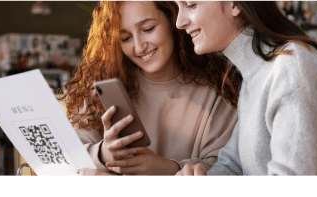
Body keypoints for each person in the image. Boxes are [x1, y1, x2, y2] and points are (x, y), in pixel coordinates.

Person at [174, 1, 317, 176]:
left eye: (190, 5)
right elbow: (233, 165)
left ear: (235, 4)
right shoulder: (255, 74)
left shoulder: (291, 68)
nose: (179, 22)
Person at [60, 1, 240, 176]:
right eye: (125, 38)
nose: (139, 47)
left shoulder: (219, 91)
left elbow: (229, 167)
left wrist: (167, 169)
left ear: (173, 20)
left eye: (148, 29)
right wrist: (102, 154)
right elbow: (61, 160)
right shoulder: (100, 89)